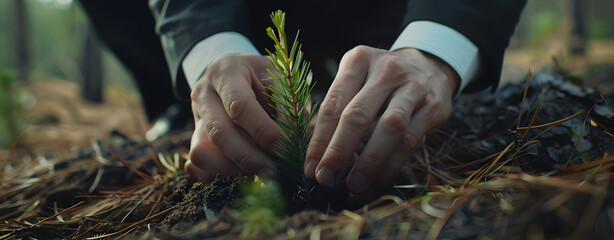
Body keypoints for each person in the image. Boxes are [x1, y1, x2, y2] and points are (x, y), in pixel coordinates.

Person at [81, 0, 526, 195]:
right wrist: (210, 52)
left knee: (396, 98)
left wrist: (435, 51)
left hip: (391, 13)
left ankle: (404, 81)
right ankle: (190, 107)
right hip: (243, 12)